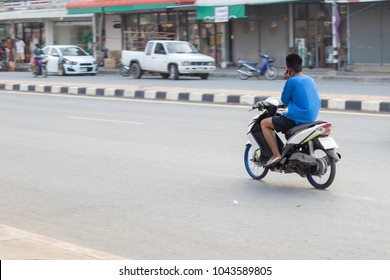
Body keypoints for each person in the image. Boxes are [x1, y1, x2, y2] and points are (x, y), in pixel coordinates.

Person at [260, 53, 321, 166]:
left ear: (289, 69)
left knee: (264, 123)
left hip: (296, 118)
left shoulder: (292, 81)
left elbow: (284, 100)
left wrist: (288, 79)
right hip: (311, 117)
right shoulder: (310, 79)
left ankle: (276, 154)